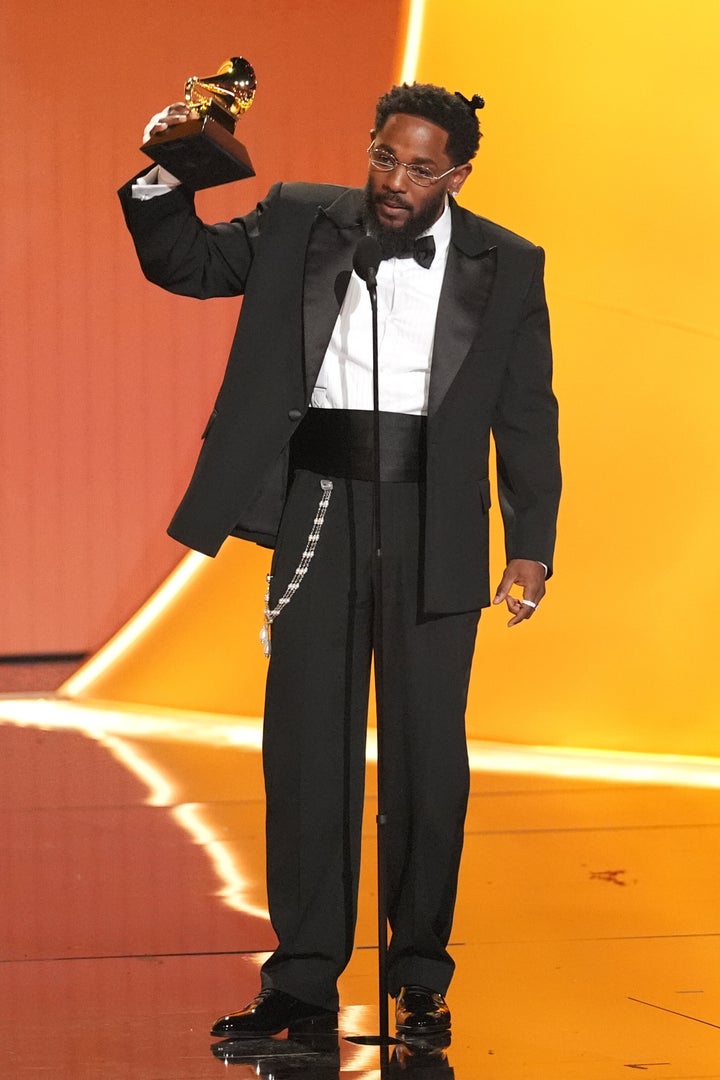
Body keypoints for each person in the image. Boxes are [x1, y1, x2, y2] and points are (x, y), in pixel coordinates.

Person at [119, 82, 561, 1040]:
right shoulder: (299, 219)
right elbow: (187, 263)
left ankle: (421, 973)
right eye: (383, 157)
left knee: (426, 762)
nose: (394, 181)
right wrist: (175, 167)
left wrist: (531, 545)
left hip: (436, 521)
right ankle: (303, 978)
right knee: (308, 749)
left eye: (418, 167)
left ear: (458, 173)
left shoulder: (509, 263)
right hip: (318, 506)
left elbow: (527, 414)